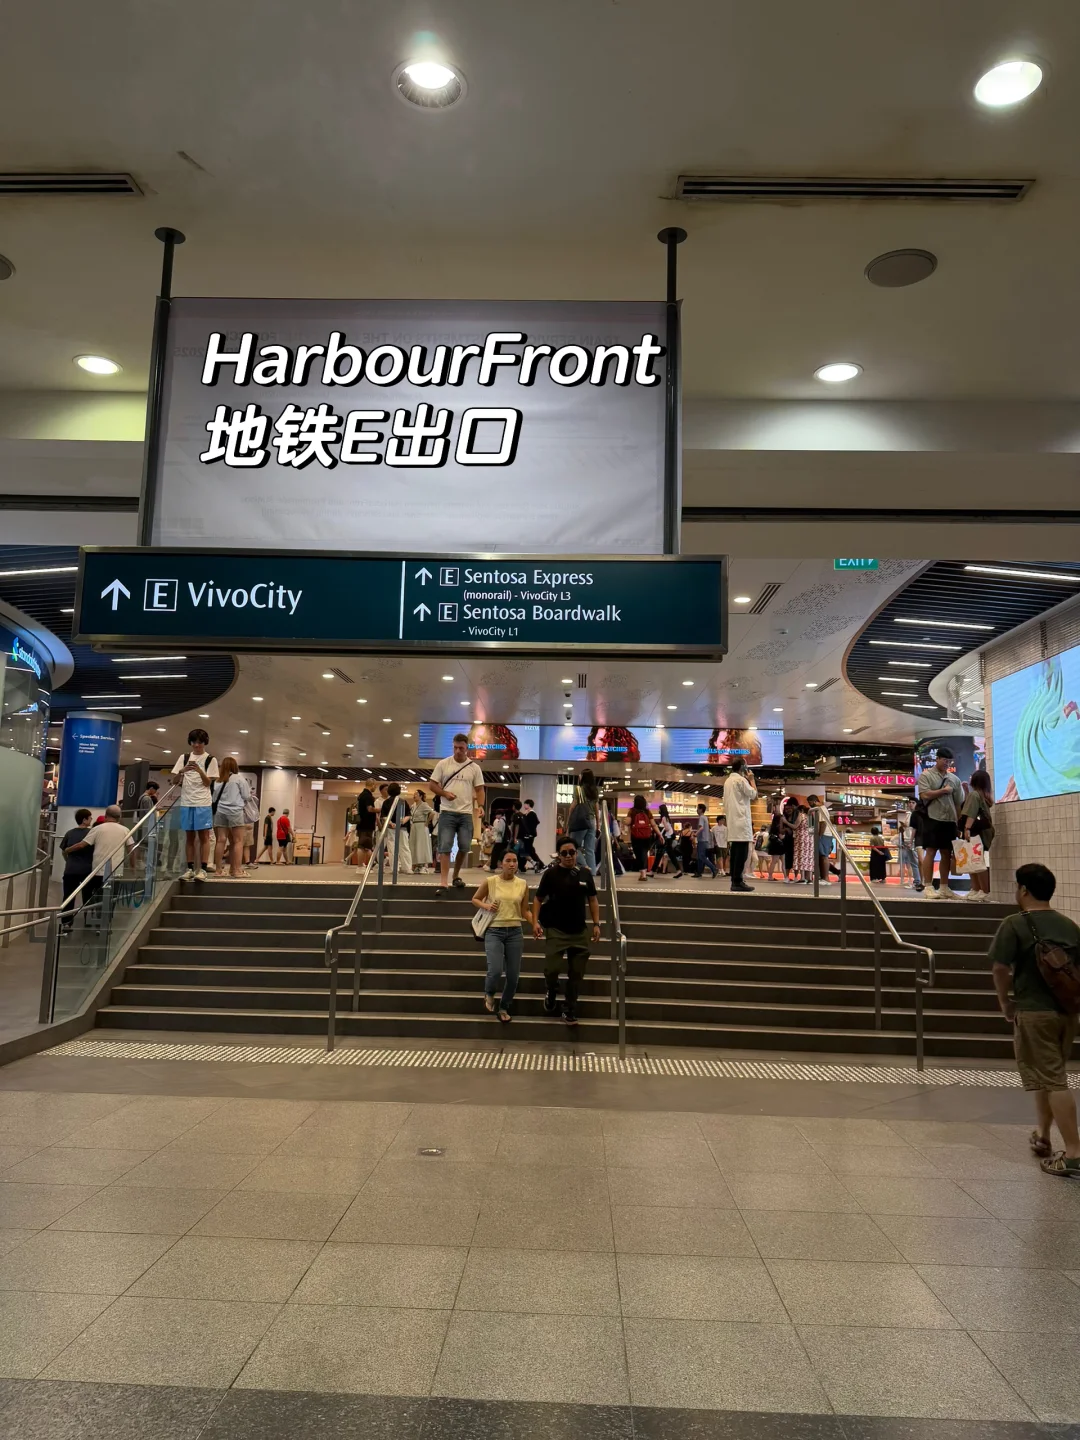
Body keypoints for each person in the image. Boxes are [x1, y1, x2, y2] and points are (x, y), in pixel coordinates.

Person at [989, 864, 1080, 1177]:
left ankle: (1074, 1153)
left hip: (1034, 1012)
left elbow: (1000, 968)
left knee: (1054, 1080)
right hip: (1067, 1014)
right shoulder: (1069, 926)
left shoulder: (1015, 923)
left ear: (1024, 890)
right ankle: (1043, 1135)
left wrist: (1005, 1002)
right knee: (1048, 1073)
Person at [534, 837, 601, 1025]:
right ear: (559, 855)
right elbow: (538, 899)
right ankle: (552, 989)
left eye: (572, 852)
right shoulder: (551, 874)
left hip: (579, 932)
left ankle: (569, 1009)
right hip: (556, 931)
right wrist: (535, 922)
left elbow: (593, 899)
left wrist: (596, 924)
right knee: (551, 969)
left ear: (577, 853)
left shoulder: (585, 874)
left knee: (576, 974)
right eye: (564, 853)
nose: (569, 856)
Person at [472, 849, 531, 1023]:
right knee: (495, 970)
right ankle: (489, 993)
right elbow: (475, 899)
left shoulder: (522, 884)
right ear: (501, 863)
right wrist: (486, 906)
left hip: (515, 931)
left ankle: (504, 1007)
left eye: (514, 861)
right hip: (494, 930)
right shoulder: (491, 881)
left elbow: (525, 910)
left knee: (513, 976)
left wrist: (535, 923)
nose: (512, 864)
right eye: (508, 861)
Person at [430, 733, 485, 896]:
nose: (458, 751)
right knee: (445, 846)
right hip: (447, 812)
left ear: (467, 748)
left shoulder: (474, 768)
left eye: (461, 748)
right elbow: (432, 785)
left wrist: (481, 806)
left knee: (464, 846)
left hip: (466, 813)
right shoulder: (444, 764)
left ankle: (455, 876)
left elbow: (480, 789)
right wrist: (444, 793)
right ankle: (443, 882)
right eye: (455, 748)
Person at [170, 728, 219, 881]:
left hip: (203, 803)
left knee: (204, 836)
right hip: (186, 802)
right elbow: (174, 781)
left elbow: (208, 783)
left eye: (200, 742)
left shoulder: (210, 759)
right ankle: (189, 868)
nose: (197, 745)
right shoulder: (184, 757)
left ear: (205, 743)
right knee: (189, 836)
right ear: (190, 743)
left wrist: (199, 770)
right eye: (194, 742)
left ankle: (203, 869)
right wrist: (182, 771)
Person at [917, 746, 963, 898]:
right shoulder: (926, 775)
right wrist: (943, 791)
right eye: (944, 760)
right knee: (931, 851)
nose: (947, 763)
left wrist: (959, 823)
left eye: (949, 761)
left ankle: (944, 887)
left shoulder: (954, 779)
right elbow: (924, 795)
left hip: (949, 820)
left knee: (946, 853)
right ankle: (928, 886)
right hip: (932, 818)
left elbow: (958, 803)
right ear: (937, 759)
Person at [210, 758, 251, 878]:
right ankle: (237, 870)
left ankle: (218, 870)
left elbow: (214, 799)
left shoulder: (217, 780)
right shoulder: (239, 778)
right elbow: (246, 796)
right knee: (238, 841)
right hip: (235, 811)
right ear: (235, 766)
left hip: (220, 812)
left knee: (221, 840)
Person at [723, 758, 757, 892]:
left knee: (735, 853)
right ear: (742, 767)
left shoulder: (728, 781)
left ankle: (735, 880)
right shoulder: (741, 780)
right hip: (742, 821)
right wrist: (752, 780)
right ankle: (738, 881)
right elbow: (754, 795)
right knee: (742, 854)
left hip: (732, 821)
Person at [961, 769, 994, 901]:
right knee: (974, 860)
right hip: (984, 831)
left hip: (975, 831)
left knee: (976, 861)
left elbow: (971, 813)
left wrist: (967, 828)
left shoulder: (975, 795)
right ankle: (977, 889)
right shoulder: (983, 795)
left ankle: (983, 890)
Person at [59, 807, 94, 930]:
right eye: (90, 818)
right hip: (87, 870)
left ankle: (66, 922)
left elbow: (64, 851)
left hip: (71, 869)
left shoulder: (69, 833)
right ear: (84, 819)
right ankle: (88, 919)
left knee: (68, 896)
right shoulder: (92, 833)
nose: (91, 819)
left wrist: (68, 861)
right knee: (88, 896)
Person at [567, 769, 600, 875]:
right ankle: (592, 872)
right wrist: (598, 824)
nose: (579, 776)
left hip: (581, 820)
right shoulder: (595, 791)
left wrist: (568, 820)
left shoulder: (579, 789)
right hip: (592, 820)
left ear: (583, 777)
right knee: (590, 849)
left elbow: (573, 805)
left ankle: (586, 867)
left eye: (580, 775)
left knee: (573, 846)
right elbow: (596, 808)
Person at [628, 794, 662, 882]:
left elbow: (628, 822)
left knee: (639, 854)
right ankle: (643, 873)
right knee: (644, 853)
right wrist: (660, 835)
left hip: (635, 836)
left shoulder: (632, 811)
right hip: (647, 836)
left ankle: (643, 874)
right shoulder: (647, 812)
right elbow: (654, 825)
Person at [381, 782, 412, 872]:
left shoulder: (386, 802)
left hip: (391, 828)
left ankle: (395, 868)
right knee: (404, 847)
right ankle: (407, 868)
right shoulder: (403, 801)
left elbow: (384, 816)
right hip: (402, 828)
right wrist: (401, 822)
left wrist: (391, 823)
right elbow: (408, 815)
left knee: (392, 848)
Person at [655, 803, 683, 877]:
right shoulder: (667, 818)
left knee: (659, 855)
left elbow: (667, 828)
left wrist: (661, 831)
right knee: (670, 855)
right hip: (669, 838)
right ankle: (678, 870)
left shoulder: (663, 818)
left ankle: (652, 871)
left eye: (659, 809)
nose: (658, 810)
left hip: (666, 839)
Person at [516, 798, 543, 872]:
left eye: (525, 804)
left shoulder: (532, 813)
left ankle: (540, 865)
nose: (524, 805)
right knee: (526, 850)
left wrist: (530, 834)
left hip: (529, 835)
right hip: (527, 835)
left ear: (528, 805)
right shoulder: (527, 813)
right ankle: (522, 866)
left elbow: (533, 825)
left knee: (528, 850)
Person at [411, 789, 434, 872]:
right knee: (414, 844)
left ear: (420, 796)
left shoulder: (424, 804)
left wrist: (427, 822)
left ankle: (423, 864)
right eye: (414, 794)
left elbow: (432, 813)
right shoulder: (413, 805)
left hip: (421, 825)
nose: (414, 796)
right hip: (414, 825)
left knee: (421, 844)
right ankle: (416, 864)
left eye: (416, 794)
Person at [693, 803, 717, 878]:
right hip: (705, 839)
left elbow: (701, 828)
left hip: (702, 839)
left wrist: (696, 834)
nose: (697, 810)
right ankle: (699, 872)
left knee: (701, 856)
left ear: (701, 809)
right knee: (700, 857)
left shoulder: (701, 818)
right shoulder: (705, 818)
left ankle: (713, 868)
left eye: (698, 808)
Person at [242, 775, 261, 870]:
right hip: (241, 822)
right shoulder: (240, 797)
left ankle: (248, 861)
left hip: (249, 823)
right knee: (238, 843)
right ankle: (234, 865)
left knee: (247, 844)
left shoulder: (253, 798)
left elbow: (255, 805)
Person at [793, 801, 814, 884]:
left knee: (801, 856)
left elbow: (795, 826)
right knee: (809, 857)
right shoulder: (810, 817)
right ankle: (809, 878)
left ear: (801, 810)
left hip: (801, 838)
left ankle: (802, 877)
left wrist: (786, 822)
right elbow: (812, 830)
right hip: (810, 839)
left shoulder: (801, 815)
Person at [354, 787, 377, 865]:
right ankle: (360, 866)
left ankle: (367, 864)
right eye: (375, 786)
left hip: (362, 824)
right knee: (362, 846)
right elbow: (370, 809)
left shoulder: (361, 795)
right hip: (366, 824)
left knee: (366, 846)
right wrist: (380, 809)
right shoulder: (368, 796)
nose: (375, 788)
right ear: (372, 785)